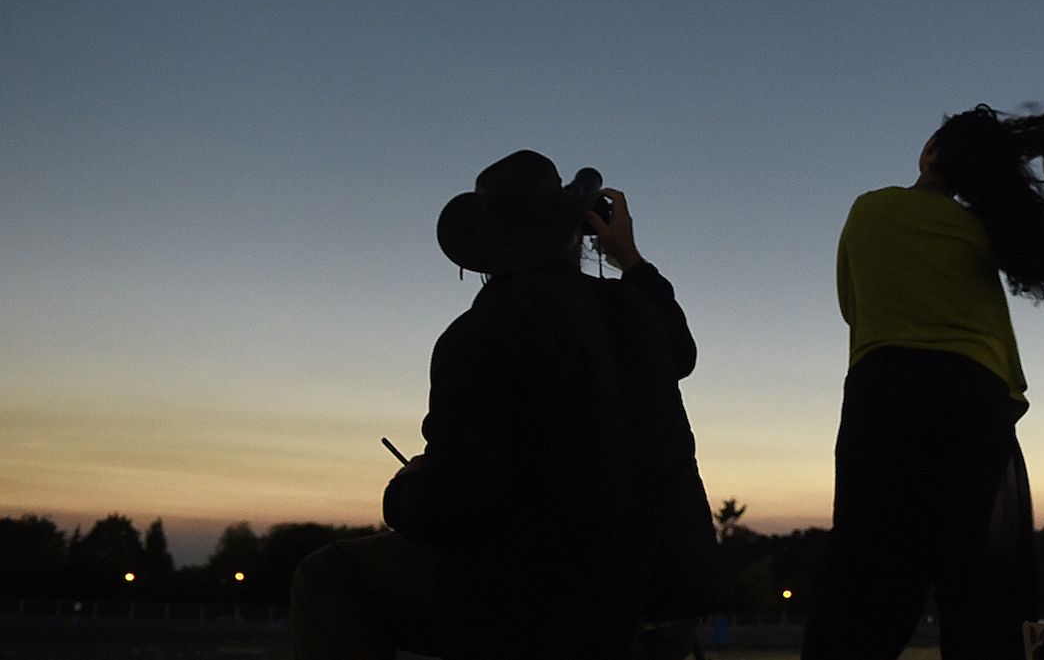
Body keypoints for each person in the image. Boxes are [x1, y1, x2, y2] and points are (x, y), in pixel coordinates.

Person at [290, 150, 726, 660]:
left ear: (487, 252)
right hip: (668, 594)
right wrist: (629, 258)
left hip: (557, 604)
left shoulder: (480, 334)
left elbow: (458, 500)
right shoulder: (635, 309)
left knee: (327, 576)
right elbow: (683, 352)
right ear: (576, 231)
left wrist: (406, 491)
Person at [802, 89, 1044, 660]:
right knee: (976, 577)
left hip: (882, 393)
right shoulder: (981, 230)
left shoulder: (869, 208)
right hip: (973, 399)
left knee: (868, 567)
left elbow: (852, 303)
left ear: (931, 150)